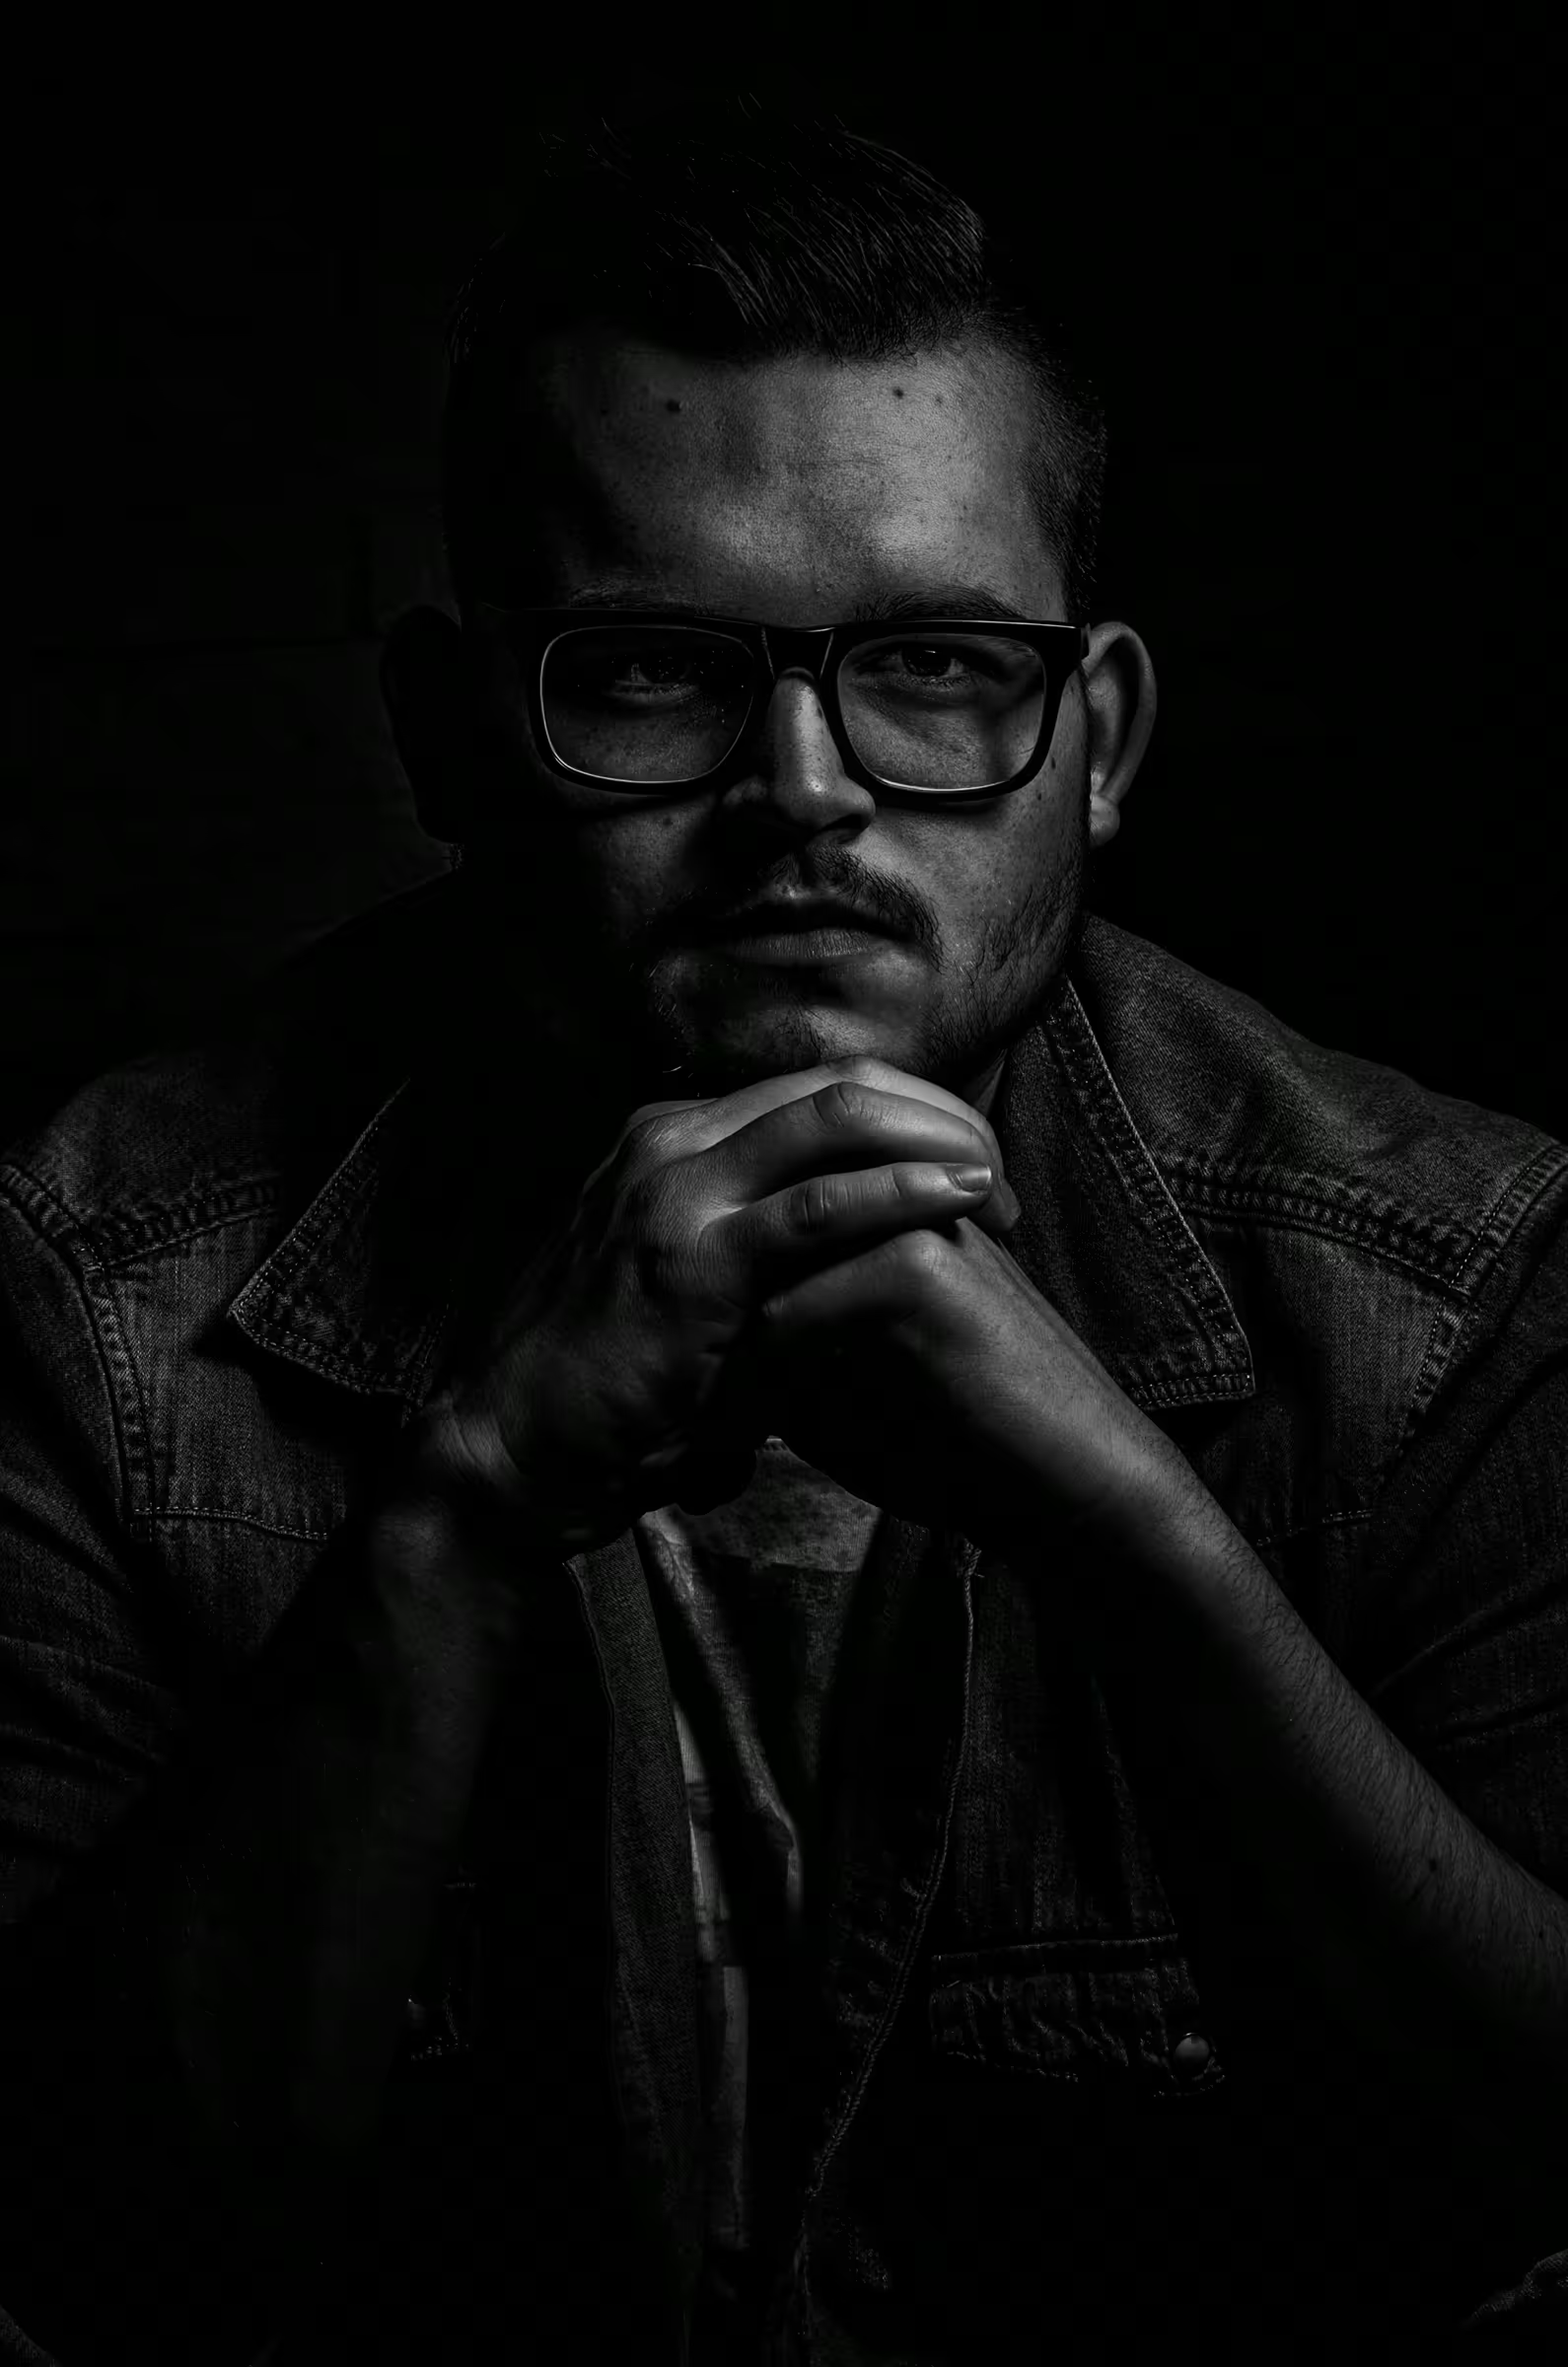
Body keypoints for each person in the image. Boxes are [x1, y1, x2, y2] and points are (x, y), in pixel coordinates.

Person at [1, 94, 1565, 2366]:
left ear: (1101, 740)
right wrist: (456, 1518)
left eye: (936, 665)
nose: (806, 800)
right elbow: (76, 2248)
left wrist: (1138, 1529)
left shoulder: (1444, 1273)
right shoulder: (92, 1287)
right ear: (452, 736)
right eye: (653, 671)